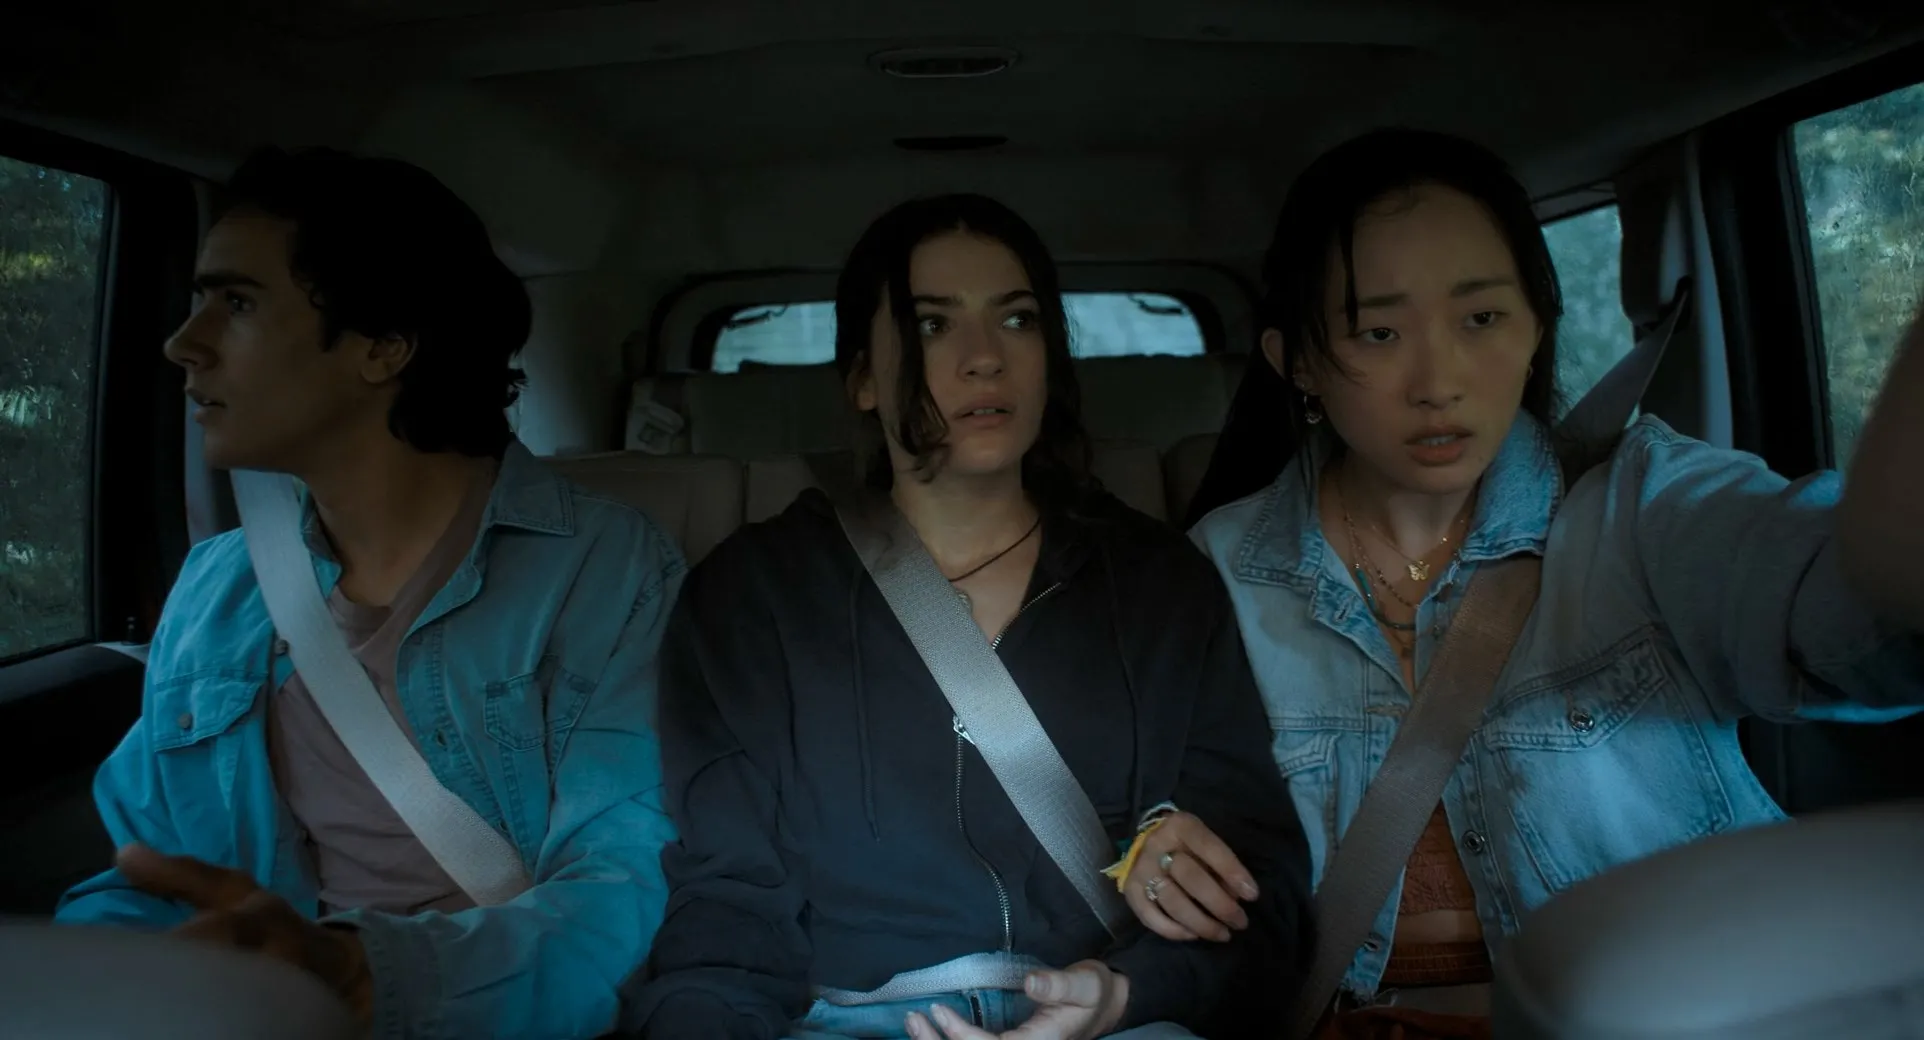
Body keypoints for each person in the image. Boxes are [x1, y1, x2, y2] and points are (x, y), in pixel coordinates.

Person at [1155, 127, 1924, 1038]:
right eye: (1379, 332)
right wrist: (1153, 847)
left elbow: (1853, 614)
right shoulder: (1219, 570)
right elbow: (1148, 810)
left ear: (1535, 325)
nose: (1439, 381)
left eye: (1481, 319)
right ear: (1300, 362)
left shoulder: (1645, 506)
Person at [626, 194, 1314, 1040]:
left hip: (1113, 1017)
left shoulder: (1162, 586)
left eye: (1017, 320)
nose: (985, 358)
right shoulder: (752, 597)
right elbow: (727, 908)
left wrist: (1129, 993)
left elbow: (1259, 897)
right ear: (863, 377)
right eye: (931, 325)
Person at [55, 146, 686, 1040]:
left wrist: (363, 975)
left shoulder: (605, 573)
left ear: (383, 346)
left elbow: (628, 892)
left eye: (238, 303)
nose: (182, 344)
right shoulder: (215, 588)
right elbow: (146, 879)